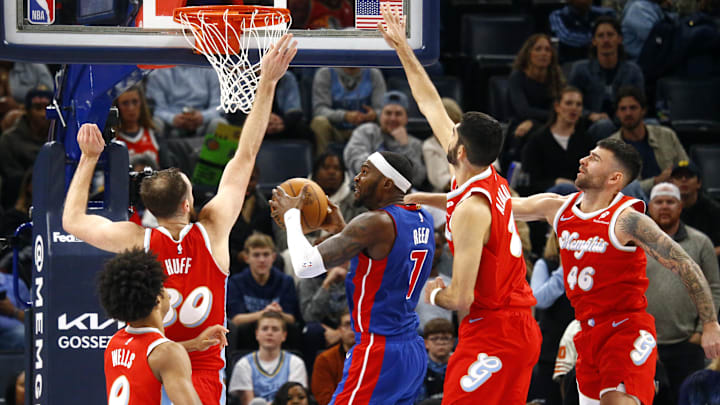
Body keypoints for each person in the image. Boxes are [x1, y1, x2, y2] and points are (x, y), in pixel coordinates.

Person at [61, 34, 298, 405]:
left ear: (151, 209)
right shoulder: (213, 230)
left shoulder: (136, 241)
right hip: (199, 377)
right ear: (188, 203)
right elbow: (245, 154)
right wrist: (266, 81)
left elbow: (73, 220)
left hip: (149, 369)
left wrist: (90, 158)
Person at [378, 8, 541, 403]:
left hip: (496, 330)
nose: (444, 133)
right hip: (513, 325)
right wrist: (401, 46)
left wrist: (430, 293)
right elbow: (429, 100)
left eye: (452, 134)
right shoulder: (484, 178)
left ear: (460, 150)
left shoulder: (471, 209)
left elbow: (461, 299)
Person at [511, 137, 720, 404]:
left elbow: (685, 264)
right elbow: (496, 205)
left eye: (594, 158)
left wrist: (711, 323)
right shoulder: (558, 208)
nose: (583, 160)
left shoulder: (628, 220)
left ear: (614, 178)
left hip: (625, 330)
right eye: (588, 154)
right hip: (585, 333)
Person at [270, 150, 435, 405]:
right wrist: (342, 230)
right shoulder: (422, 217)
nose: (356, 178)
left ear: (387, 183)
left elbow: (305, 266)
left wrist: (292, 215)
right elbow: (382, 259)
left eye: (365, 171)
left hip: (379, 348)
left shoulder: (374, 223)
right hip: (411, 350)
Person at [645, 182, 720, 402]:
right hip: (644, 344)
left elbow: (714, 287)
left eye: (671, 202)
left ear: (681, 207)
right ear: (650, 207)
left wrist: (702, 330)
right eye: (659, 201)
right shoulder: (634, 243)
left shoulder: (700, 242)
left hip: (688, 342)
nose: (665, 206)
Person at [99, 248, 201, 405]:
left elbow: (145, 361)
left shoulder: (114, 343)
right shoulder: (169, 353)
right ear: (158, 299)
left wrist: (194, 344)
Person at [568, 16, 645, 140]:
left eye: (610, 35)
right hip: (591, 126)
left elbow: (641, 103)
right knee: (604, 126)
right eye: (601, 36)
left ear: (619, 39)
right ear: (594, 41)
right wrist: (590, 115)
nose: (606, 40)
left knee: (654, 125)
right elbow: (568, 104)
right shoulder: (580, 70)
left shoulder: (633, 71)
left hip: (626, 122)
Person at [227, 233, 302, 351]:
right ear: (246, 258)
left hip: (278, 333)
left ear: (273, 257)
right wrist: (265, 313)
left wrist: (278, 313)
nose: (262, 260)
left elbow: (291, 319)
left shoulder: (286, 281)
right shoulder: (236, 282)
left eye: (266, 255)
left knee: (292, 329)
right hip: (248, 335)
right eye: (256, 255)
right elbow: (236, 320)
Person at [608, 86, 688, 195]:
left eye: (633, 108)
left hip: (671, 195)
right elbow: (619, 188)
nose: (628, 113)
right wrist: (656, 181)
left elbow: (685, 166)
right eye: (623, 109)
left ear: (643, 110)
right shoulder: (610, 147)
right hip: (635, 202)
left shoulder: (666, 135)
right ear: (617, 113)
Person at [504, 33, 566, 169]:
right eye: (538, 49)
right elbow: (523, 110)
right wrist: (538, 119)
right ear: (528, 53)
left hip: (548, 123)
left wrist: (533, 121)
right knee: (530, 134)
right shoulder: (517, 77)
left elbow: (561, 111)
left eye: (547, 50)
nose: (543, 53)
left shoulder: (556, 78)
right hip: (519, 124)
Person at [343, 90, 426, 188]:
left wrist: (404, 147)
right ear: (380, 115)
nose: (393, 118)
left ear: (406, 118)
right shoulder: (366, 132)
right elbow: (356, 162)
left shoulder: (414, 144)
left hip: (399, 198)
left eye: (398, 114)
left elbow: (417, 178)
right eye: (388, 113)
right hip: (364, 193)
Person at [521, 86, 595, 194]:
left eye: (578, 104)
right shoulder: (537, 140)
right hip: (545, 197)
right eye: (569, 103)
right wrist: (556, 182)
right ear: (557, 107)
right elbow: (530, 181)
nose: (574, 108)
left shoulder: (587, 140)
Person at [228, 311, 308, 405]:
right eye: (265, 329)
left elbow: (295, 399)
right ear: (257, 334)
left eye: (275, 329)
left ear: (284, 335)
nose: (269, 333)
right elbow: (248, 402)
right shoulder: (243, 364)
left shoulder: (296, 363)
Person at [310, 67, 386, 155]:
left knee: (390, 120)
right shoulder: (325, 73)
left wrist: (374, 115)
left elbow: (383, 110)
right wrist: (345, 116)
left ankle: (379, 165)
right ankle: (324, 164)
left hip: (366, 130)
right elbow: (319, 110)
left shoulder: (374, 74)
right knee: (319, 122)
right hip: (337, 130)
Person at [0, 85, 52, 209]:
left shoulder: (61, 138)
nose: (43, 114)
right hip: (19, 197)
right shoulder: (9, 139)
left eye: (47, 109)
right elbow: (10, 175)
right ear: (27, 111)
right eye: (38, 108)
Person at [145, 65, 227, 138]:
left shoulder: (210, 69)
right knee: (155, 123)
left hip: (203, 121)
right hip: (171, 124)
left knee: (220, 124)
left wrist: (203, 116)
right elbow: (157, 109)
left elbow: (219, 105)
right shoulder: (157, 73)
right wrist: (172, 119)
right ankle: (154, 154)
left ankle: (219, 155)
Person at [669, 160, 720, 257]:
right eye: (679, 177)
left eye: (689, 176)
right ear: (671, 182)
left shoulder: (714, 210)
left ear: (699, 183)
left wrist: (701, 256)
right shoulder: (664, 209)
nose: (683, 180)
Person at [311, 311, 356, 405]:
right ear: (340, 329)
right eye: (347, 324)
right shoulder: (324, 360)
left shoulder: (377, 358)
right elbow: (324, 399)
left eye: (356, 324)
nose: (352, 328)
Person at [549, 0, 615, 63]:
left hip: (602, 62)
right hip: (570, 63)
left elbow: (616, 37)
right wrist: (596, 38)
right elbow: (567, 37)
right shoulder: (558, 15)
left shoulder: (606, 14)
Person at [113, 85, 161, 165]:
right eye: (125, 103)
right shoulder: (113, 140)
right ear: (117, 107)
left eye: (135, 102)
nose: (131, 108)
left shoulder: (154, 133)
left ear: (141, 104)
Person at [423, 98, 462, 193]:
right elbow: (443, 182)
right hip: (446, 198)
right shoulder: (430, 146)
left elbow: (493, 169)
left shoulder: (473, 139)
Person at [415, 318, 454, 404]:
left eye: (445, 338)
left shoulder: (461, 365)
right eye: (434, 338)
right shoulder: (419, 369)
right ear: (426, 343)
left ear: (452, 342)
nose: (440, 342)